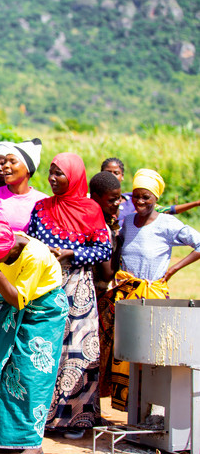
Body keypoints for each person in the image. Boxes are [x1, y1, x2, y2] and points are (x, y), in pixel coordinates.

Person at [0, 220, 69, 453]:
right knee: (7, 372)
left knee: (32, 377)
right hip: (14, 312)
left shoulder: (33, 256)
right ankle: (6, 439)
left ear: (5, 253)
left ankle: (31, 443)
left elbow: (18, 298)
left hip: (43, 315)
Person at [97, 169, 200, 412]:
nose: (140, 202)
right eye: (136, 197)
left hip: (153, 298)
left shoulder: (167, 224)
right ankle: (131, 409)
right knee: (125, 353)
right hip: (126, 297)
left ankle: (153, 410)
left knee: (152, 354)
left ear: (156, 198)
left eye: (146, 197)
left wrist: (174, 268)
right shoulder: (126, 223)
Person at [27, 153, 112, 437]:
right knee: (45, 348)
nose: (52, 178)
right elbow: (29, 243)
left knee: (78, 351)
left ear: (74, 177)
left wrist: (71, 253)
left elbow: (103, 250)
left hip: (79, 288)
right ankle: (43, 417)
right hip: (46, 286)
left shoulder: (91, 210)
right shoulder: (41, 208)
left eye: (59, 174)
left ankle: (77, 419)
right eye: (51, 172)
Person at [101, 157, 200, 224]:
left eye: (116, 173)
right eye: (108, 172)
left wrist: (196, 203)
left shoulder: (133, 199)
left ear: (122, 176)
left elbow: (168, 210)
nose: (111, 176)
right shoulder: (94, 201)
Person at [0, 139, 47, 232]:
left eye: (12, 162)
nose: (5, 166)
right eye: (5, 162)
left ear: (28, 169)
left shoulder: (43, 202)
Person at [89, 171, 123, 299]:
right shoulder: (100, 226)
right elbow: (108, 274)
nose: (117, 203)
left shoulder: (94, 219)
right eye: (111, 200)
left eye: (118, 198)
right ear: (96, 198)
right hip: (98, 293)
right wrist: (120, 241)